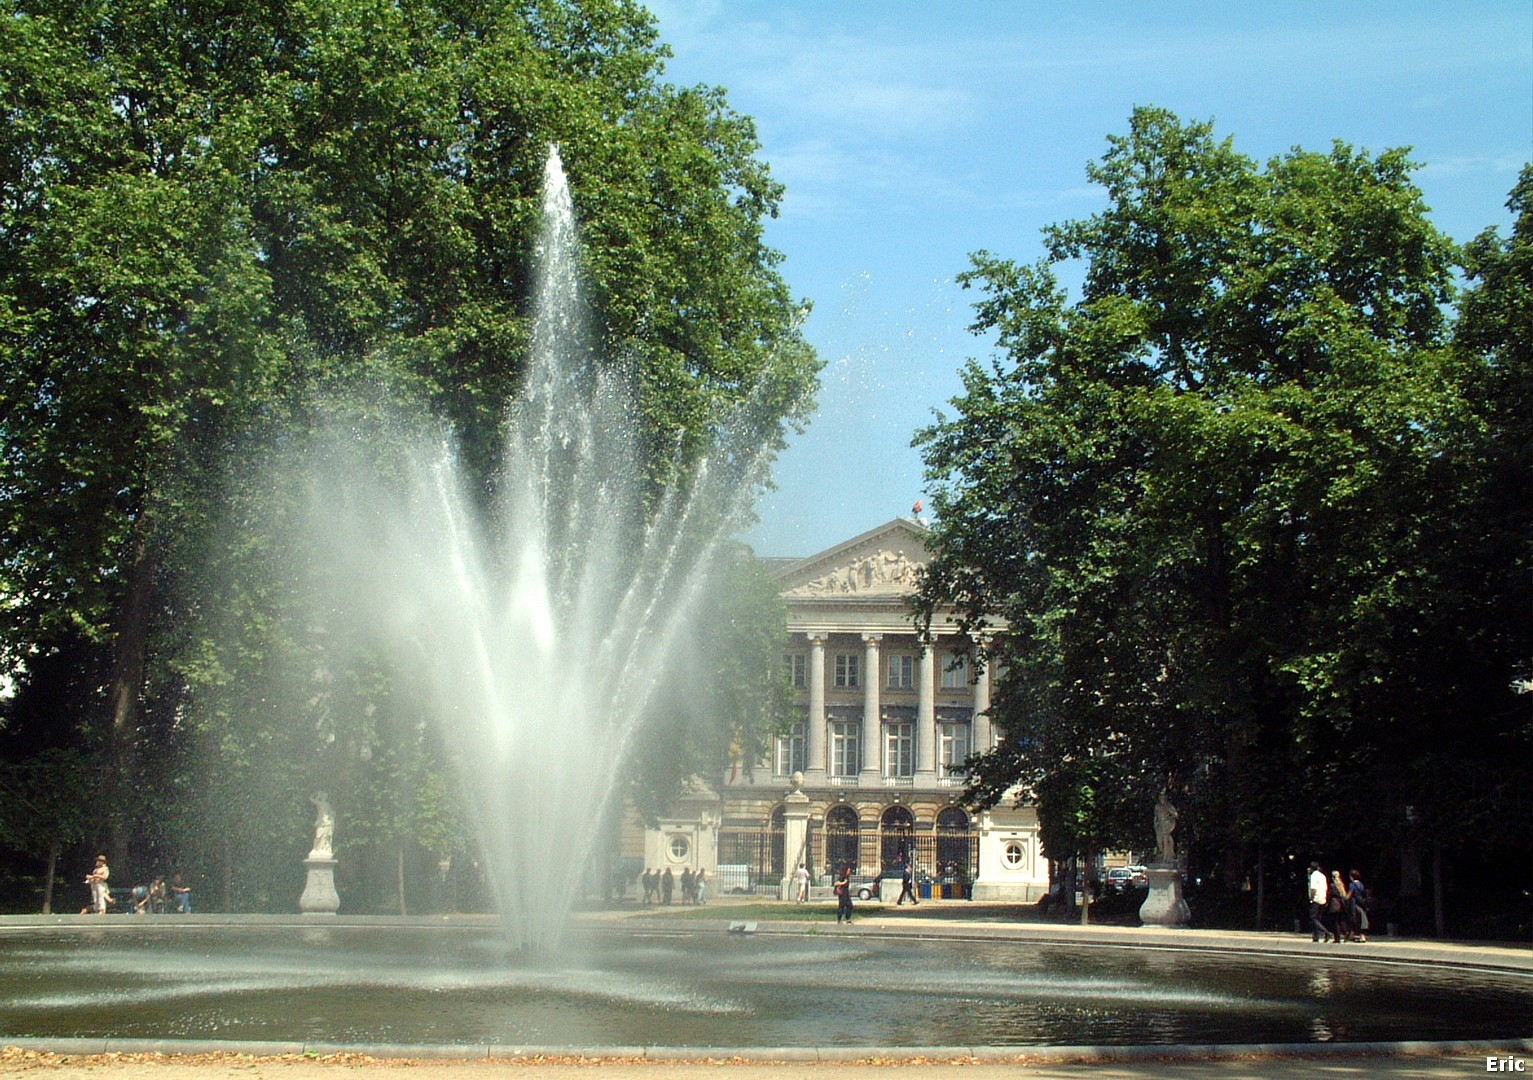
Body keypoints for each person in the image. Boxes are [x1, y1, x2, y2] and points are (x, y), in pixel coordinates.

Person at [1307, 862, 1330, 942]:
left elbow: (1313, 889)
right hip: (1323, 898)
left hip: (1316, 899)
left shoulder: (1314, 876)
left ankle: (1326, 932)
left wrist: (1311, 898)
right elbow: (1326, 888)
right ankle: (1315, 936)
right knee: (1318, 918)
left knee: (1313, 917)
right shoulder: (1322, 876)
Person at [1347, 869, 1370, 943]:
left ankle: (1355, 935)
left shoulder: (1352, 884)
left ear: (1351, 877)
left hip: (1354, 903)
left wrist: (1344, 898)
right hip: (1361, 904)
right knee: (1361, 919)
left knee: (1355, 919)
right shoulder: (1361, 884)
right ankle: (1362, 935)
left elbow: (1349, 895)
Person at [1328, 869, 1351, 944]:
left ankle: (1337, 937)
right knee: (1340, 920)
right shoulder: (1341, 884)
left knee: (1335, 922)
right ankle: (1345, 931)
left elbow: (1330, 895)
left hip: (1334, 904)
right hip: (1340, 904)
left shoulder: (1332, 885)